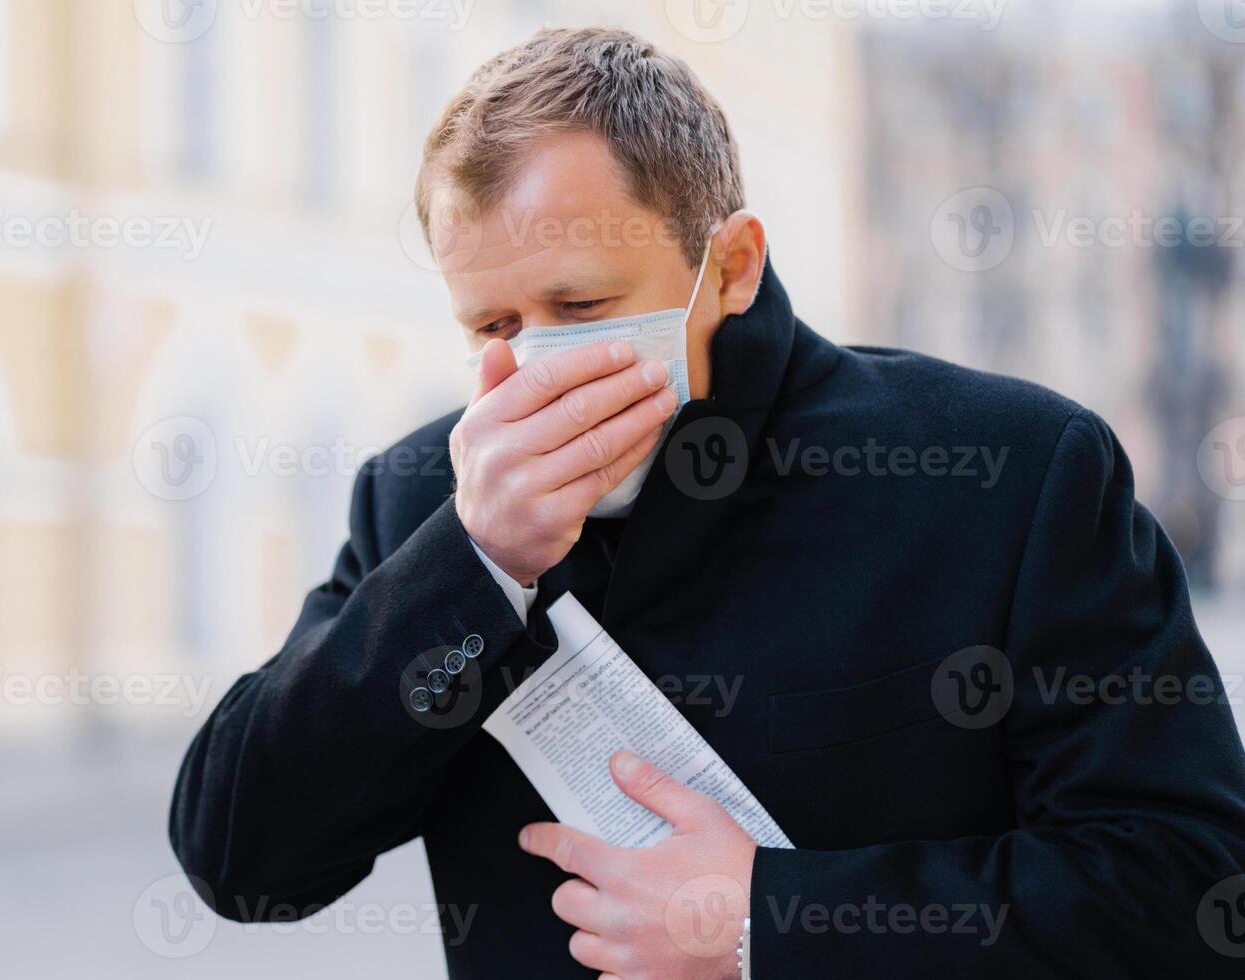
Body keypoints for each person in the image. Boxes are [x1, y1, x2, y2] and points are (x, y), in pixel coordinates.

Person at [170, 26, 1245, 978]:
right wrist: (473, 565)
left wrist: (770, 923)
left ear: (729, 265)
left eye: (580, 304)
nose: (535, 358)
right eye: (492, 324)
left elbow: (1186, 890)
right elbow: (242, 855)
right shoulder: (424, 495)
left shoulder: (1010, 469)